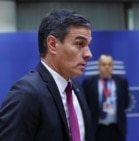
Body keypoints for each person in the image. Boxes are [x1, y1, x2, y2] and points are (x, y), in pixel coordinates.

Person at [0, 9, 95, 141]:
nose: (88, 54)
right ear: (52, 45)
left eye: (88, 45)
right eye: (80, 44)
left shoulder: (77, 88)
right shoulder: (26, 93)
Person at [82, 54, 129, 141]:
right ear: (99, 66)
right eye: (104, 64)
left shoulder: (122, 82)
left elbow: (125, 103)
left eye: (109, 64)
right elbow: (86, 105)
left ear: (113, 66)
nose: (107, 67)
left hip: (116, 129)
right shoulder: (88, 82)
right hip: (96, 128)